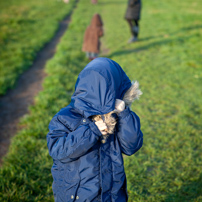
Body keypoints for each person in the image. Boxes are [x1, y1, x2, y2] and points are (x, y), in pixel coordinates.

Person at [47, 57, 143, 202]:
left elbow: (131, 146)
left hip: (112, 195)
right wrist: (91, 130)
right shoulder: (65, 118)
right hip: (79, 197)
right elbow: (58, 150)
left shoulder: (117, 116)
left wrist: (123, 112)